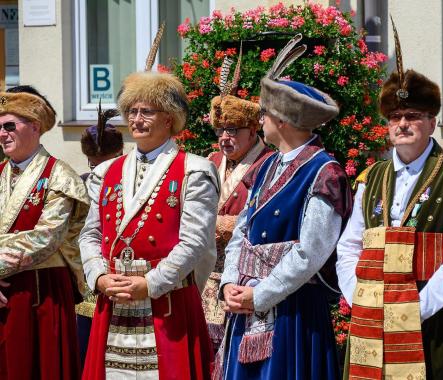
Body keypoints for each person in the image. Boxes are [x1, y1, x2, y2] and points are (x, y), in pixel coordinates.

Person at [336, 20, 443, 380]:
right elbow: (348, 246)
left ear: (432, 122)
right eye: (395, 117)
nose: (402, 124)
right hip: (372, 319)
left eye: (413, 116)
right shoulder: (369, 178)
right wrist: (359, 297)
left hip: (433, 321)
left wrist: (417, 307)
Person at [217, 34, 352, 379]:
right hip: (247, 304)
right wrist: (230, 282)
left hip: (293, 313)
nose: (259, 120)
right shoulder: (267, 165)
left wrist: (259, 294)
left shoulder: (325, 172)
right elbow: (242, 230)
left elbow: (310, 252)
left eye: (264, 114)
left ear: (284, 121)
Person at [79, 64, 218, 377]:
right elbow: (88, 235)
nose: (136, 120)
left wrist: (151, 284)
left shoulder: (195, 171)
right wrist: (99, 278)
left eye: (147, 112)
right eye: (132, 111)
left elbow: (195, 241)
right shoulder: (104, 173)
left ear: (168, 118)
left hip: (166, 303)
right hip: (113, 298)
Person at [0, 85, 89, 379]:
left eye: (9, 126)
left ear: (35, 126)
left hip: (41, 293)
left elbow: (45, 239)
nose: (2, 134)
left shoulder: (60, 175)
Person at [203, 80, 273, 350]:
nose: (224, 137)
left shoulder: (269, 163)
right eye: (220, 129)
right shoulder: (211, 161)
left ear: (253, 129)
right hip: (207, 271)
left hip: (245, 275)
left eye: (232, 130)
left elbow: (264, 220)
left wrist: (216, 224)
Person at [76, 104, 124, 371]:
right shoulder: (81, 183)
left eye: (106, 164)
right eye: (93, 165)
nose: (98, 172)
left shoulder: (134, 181)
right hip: (88, 286)